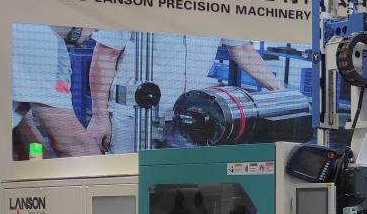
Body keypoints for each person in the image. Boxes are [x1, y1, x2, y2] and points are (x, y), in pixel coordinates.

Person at [87, 31, 284, 153]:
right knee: (128, 184)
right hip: (133, 119)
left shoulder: (219, 4)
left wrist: (279, 91)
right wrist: (100, 116)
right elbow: (106, 53)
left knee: (175, 192)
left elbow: (242, 49)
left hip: (187, 121)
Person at [11, 24, 100, 158]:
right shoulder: (33, 37)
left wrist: (37, 162)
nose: (98, 30)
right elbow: (72, 143)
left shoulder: (51, 45)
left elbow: (26, 132)